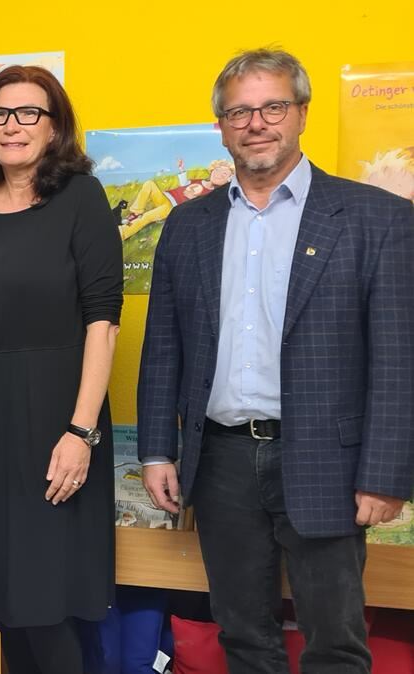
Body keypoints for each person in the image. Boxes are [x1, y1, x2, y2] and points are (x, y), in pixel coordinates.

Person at [138, 49, 414, 673]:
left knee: (335, 643)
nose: (256, 122)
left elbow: (399, 358)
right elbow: (163, 348)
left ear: (302, 114)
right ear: (221, 125)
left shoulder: (378, 219)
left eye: (272, 107)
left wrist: (386, 473)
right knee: (244, 636)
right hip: (221, 463)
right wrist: (157, 450)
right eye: (239, 110)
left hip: (328, 460)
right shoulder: (188, 226)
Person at [0, 64, 122, 673]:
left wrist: (81, 432)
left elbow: (103, 321)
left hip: (55, 420)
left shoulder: (81, 199)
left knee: (45, 602)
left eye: (29, 112)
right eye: (0, 114)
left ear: (55, 124)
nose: (13, 126)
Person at [119, 158, 235, 239]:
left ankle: (122, 233)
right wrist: (181, 169)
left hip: (172, 208)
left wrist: (192, 200)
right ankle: (135, 212)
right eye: (218, 170)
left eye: (224, 174)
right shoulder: (199, 181)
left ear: (229, 180)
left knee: (148, 216)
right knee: (149, 184)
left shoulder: (213, 195)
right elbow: (184, 182)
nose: (219, 174)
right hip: (166, 197)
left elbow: (199, 214)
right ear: (212, 170)